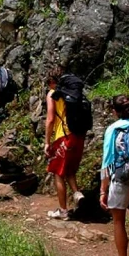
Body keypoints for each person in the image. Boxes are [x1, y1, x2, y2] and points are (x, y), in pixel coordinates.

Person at [99, 95, 129, 256]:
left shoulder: (113, 129)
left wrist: (103, 190)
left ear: (115, 112)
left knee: (118, 220)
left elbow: (107, 162)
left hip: (119, 177)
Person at [45, 66, 85, 220]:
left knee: (57, 173)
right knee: (69, 169)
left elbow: (50, 119)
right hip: (79, 135)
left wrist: (47, 142)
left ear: (52, 82)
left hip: (64, 136)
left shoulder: (53, 94)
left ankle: (63, 211)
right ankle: (77, 193)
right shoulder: (76, 93)